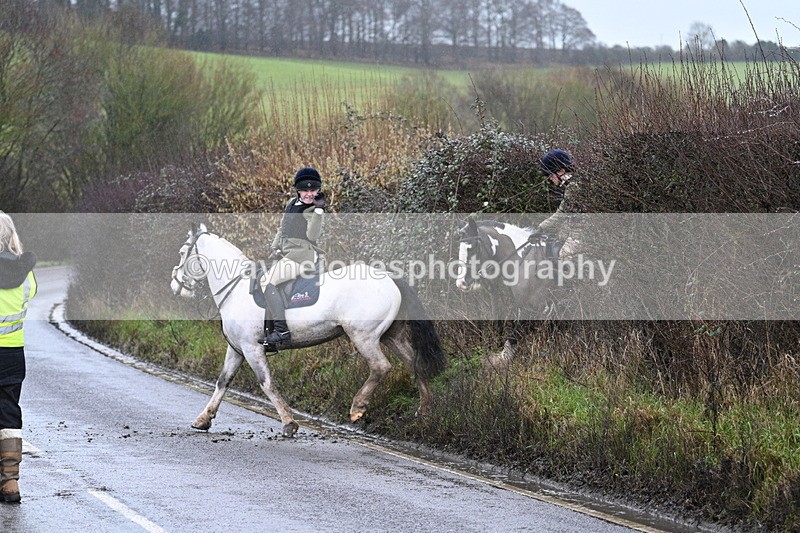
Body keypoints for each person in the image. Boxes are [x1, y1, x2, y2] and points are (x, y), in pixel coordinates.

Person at [258, 167, 326, 349]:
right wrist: (274, 247)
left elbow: (312, 236)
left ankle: (281, 330)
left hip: (302, 256)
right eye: (305, 190)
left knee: (267, 281)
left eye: (313, 191)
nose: (309, 194)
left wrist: (319, 211)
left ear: (318, 191)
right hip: (286, 253)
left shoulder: (312, 209)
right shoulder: (291, 203)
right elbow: (282, 227)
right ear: (298, 190)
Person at [0, 211, 37, 504]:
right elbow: (32, 293)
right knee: (8, 412)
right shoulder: (26, 274)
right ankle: (10, 481)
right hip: (13, 354)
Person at [535, 149, 581, 258]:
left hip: (584, 234)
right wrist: (542, 228)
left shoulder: (574, 187)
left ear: (561, 171)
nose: (550, 179)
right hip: (576, 231)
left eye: (551, 175)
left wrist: (541, 228)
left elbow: (562, 214)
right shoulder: (570, 184)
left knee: (564, 255)